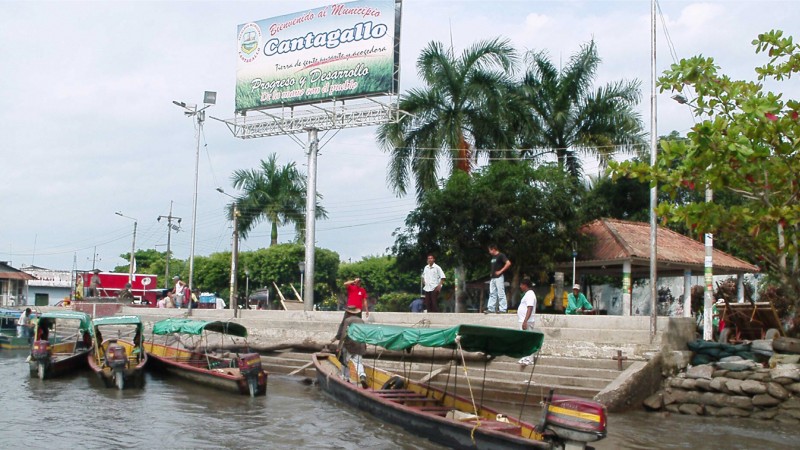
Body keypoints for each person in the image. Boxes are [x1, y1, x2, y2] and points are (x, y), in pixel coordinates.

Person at [331, 306, 368, 388]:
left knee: (344, 362)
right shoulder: (361, 321)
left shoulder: (347, 320)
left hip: (350, 345)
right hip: (360, 344)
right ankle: (362, 376)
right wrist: (364, 345)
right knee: (358, 363)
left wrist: (339, 346)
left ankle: (345, 378)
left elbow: (344, 333)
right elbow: (364, 333)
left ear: (348, 313)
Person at [517, 278, 537, 365]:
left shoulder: (530, 294)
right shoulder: (527, 294)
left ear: (525, 285)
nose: (520, 286)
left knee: (528, 340)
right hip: (523, 321)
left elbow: (530, 307)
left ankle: (529, 359)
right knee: (524, 340)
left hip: (527, 321)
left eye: (521, 285)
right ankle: (525, 357)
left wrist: (525, 321)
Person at [486, 244, 511, 314]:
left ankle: (503, 309)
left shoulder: (501, 255)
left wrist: (500, 271)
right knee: (492, 293)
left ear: (493, 249)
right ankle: (491, 308)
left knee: (501, 293)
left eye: (490, 250)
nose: (489, 252)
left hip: (499, 277)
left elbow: (508, 263)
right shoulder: (493, 257)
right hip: (493, 278)